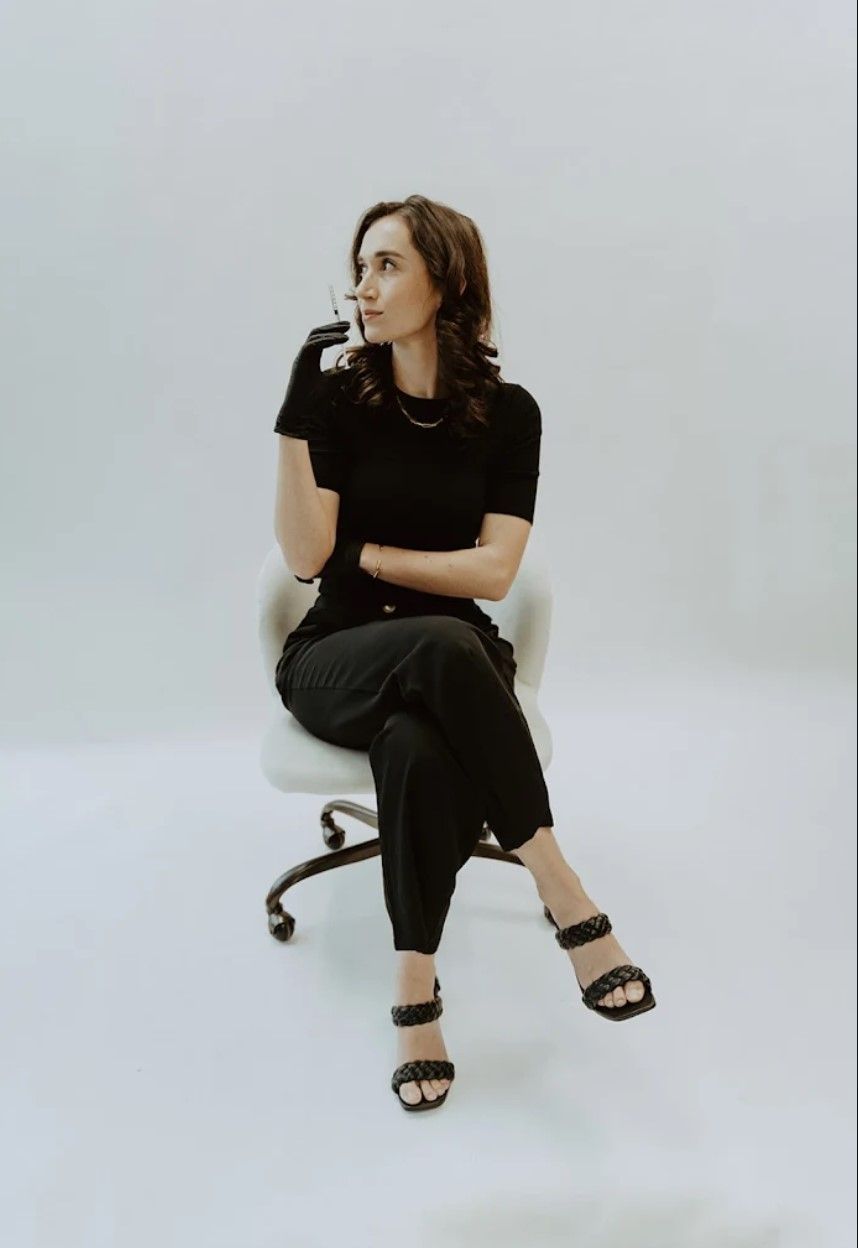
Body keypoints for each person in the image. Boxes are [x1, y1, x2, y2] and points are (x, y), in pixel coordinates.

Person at [271, 195, 655, 1112]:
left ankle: (413, 990)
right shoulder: (336, 402)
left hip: (450, 659)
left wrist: (375, 553)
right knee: (445, 646)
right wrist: (292, 420)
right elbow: (305, 558)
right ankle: (565, 892)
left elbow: (494, 569)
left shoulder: (508, 415)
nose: (363, 287)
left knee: (417, 738)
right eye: (359, 266)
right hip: (338, 656)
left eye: (388, 266)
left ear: (447, 282)